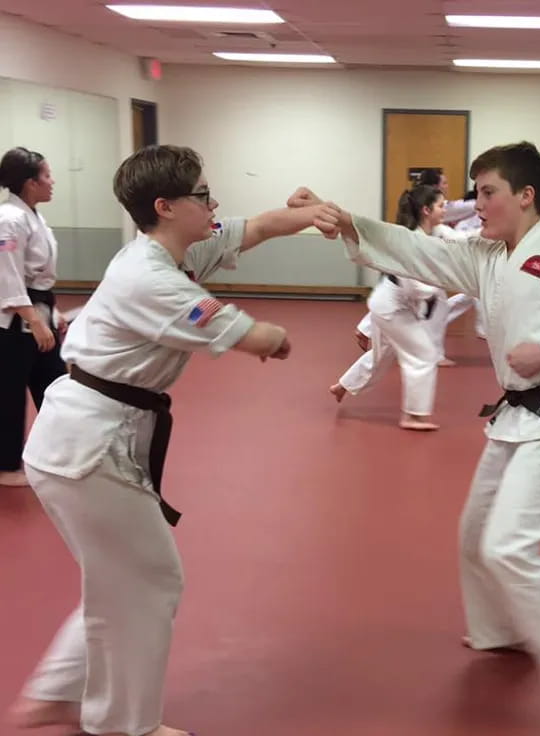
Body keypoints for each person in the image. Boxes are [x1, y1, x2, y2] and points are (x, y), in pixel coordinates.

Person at [309, 141, 540, 736]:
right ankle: (502, 631)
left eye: (487, 193)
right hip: (517, 413)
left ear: (525, 195)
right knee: (475, 534)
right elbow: (418, 249)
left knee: (510, 546)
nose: (476, 204)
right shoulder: (487, 255)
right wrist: (349, 221)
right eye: (476, 192)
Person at [8, 144, 339, 736]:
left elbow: (260, 226)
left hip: (84, 443)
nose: (215, 203)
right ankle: (123, 723)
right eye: (203, 195)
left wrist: (314, 213)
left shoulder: (177, 246)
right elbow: (255, 336)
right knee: (149, 579)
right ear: (165, 205)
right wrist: (278, 337)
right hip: (88, 449)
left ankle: (56, 694)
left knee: (118, 578)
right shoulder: (150, 277)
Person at [328, 184, 444, 430]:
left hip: (385, 305)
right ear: (426, 210)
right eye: (441, 206)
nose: (445, 210)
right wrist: (437, 287)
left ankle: (344, 385)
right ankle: (413, 415)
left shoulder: (426, 235)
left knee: (381, 357)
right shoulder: (412, 241)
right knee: (424, 354)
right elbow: (413, 286)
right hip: (392, 308)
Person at [0, 147, 67, 487]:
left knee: (55, 384)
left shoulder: (33, 216)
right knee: (9, 392)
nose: (51, 181)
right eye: (46, 175)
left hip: (38, 310)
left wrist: (51, 315)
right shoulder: (8, 220)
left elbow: (40, 279)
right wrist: (35, 320)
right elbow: (7, 276)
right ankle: (5, 465)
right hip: (13, 323)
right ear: (29, 183)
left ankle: (57, 452)